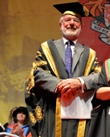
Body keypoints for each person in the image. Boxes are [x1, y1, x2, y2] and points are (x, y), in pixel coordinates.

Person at [24, 1, 101, 137]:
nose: (71, 23)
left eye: (76, 20)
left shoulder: (90, 53)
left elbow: (98, 76)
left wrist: (79, 82)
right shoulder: (47, 47)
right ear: (60, 25)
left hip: (80, 109)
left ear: (81, 27)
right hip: (54, 108)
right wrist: (60, 85)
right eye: (67, 20)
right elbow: (38, 73)